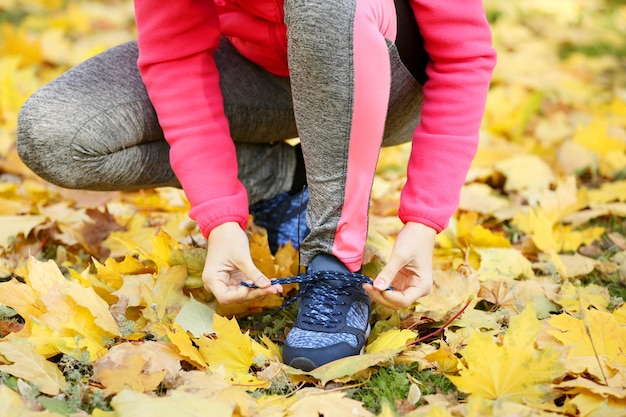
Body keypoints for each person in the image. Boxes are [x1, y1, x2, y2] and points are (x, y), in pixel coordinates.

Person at [17, 0, 496, 371]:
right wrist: (221, 217)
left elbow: (463, 56)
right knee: (57, 135)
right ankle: (281, 181)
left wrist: (424, 221)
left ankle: (335, 264)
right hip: (257, 74)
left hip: (380, 71)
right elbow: (176, 56)